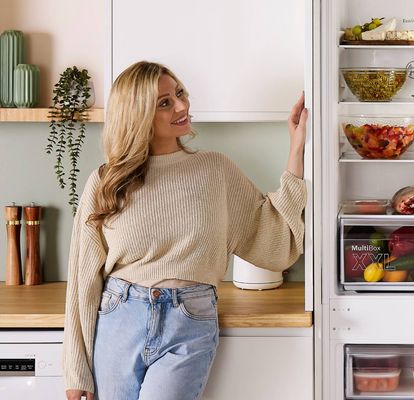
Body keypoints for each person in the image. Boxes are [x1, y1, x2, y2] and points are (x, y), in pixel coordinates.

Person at [63, 61, 308, 400]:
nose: (182, 106)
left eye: (179, 94)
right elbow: (81, 281)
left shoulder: (215, 170)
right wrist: (77, 373)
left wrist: (297, 149)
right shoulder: (106, 182)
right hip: (120, 316)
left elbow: (274, 236)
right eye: (164, 102)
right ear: (138, 115)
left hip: (188, 319)